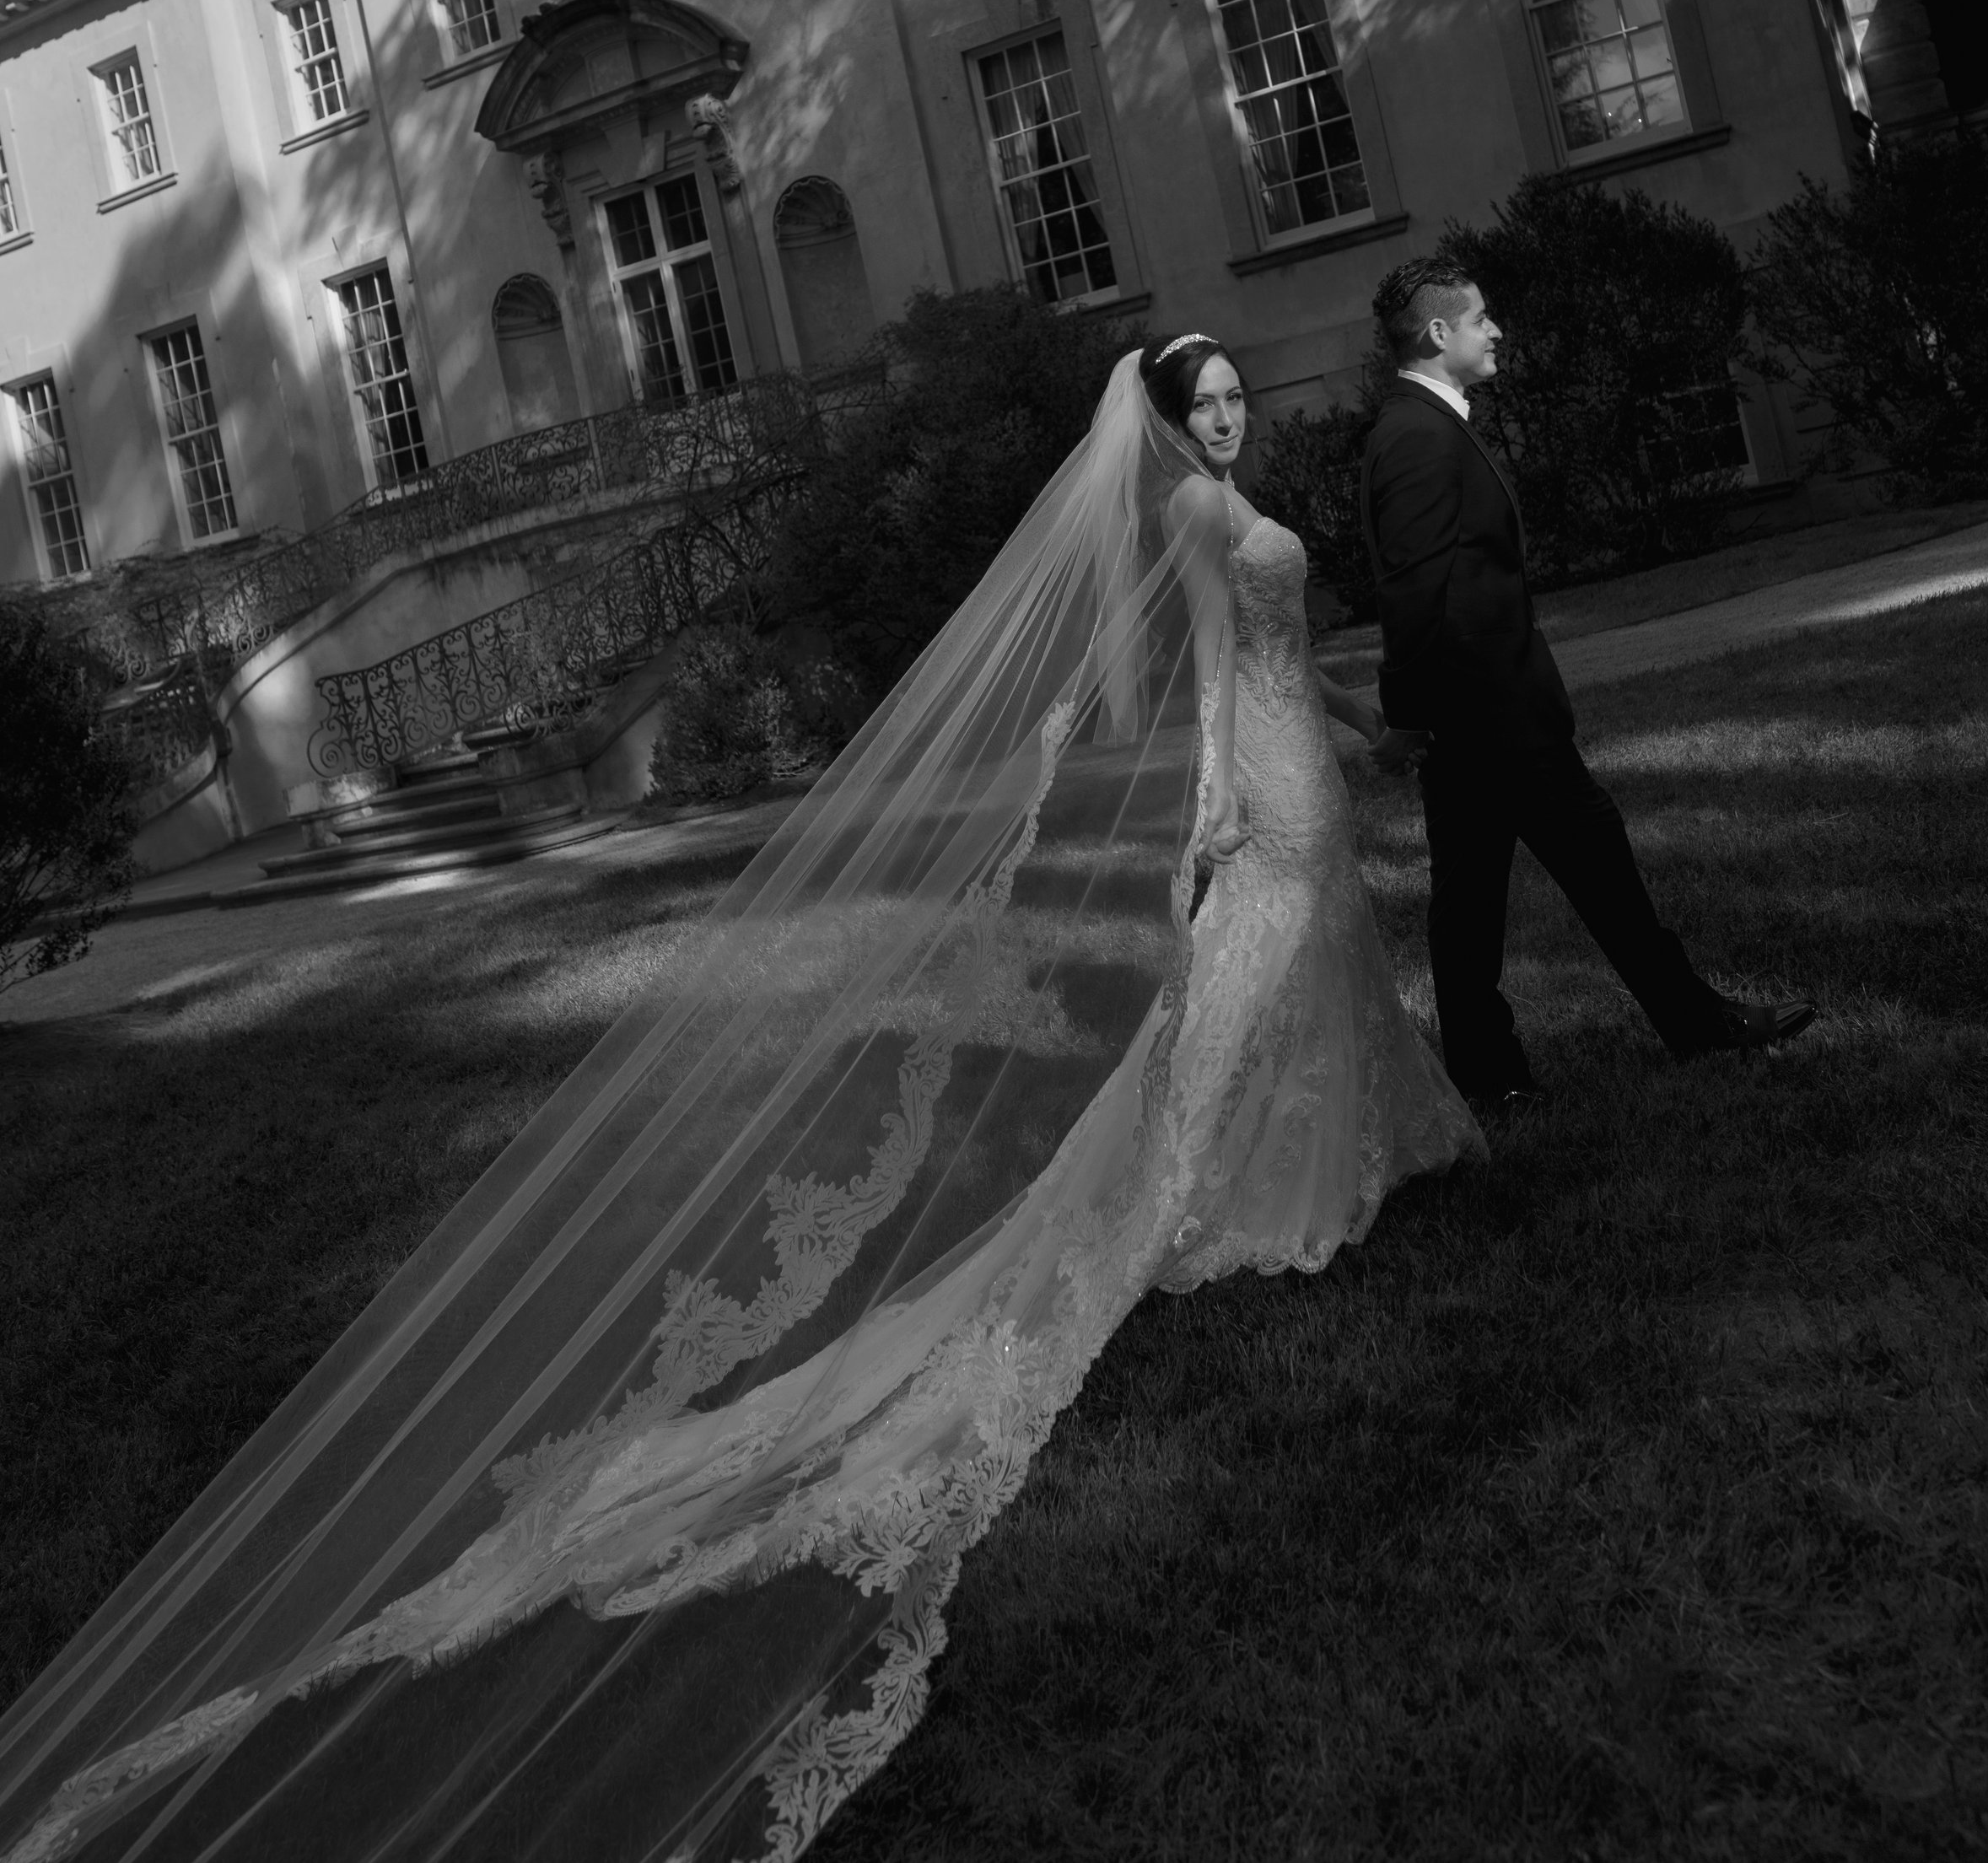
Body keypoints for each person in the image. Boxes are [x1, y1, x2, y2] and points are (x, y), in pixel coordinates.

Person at [0, 338, 1477, 1863]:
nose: (1230, 417)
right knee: (1255, 974)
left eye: (1237, 398)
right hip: (1265, 785)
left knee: (1306, 974)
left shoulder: (1231, 499)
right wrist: (1210, 803)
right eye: (1209, 403)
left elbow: (1288, 658)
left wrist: (1364, 728)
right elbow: (1219, 672)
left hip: (1316, 754)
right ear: (1168, 429)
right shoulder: (1191, 518)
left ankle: (1332, 1136)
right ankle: (1221, 1181)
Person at [1359, 267, 1816, 1105]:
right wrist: (1408, 719)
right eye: (1481, 318)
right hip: (1493, 721)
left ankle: (1489, 1075)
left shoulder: (1422, 426)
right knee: (1587, 867)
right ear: (1436, 335)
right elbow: (1411, 595)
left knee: (1470, 903)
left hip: (1482, 717)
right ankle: (1693, 1028)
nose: (1495, 331)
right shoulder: (1416, 437)